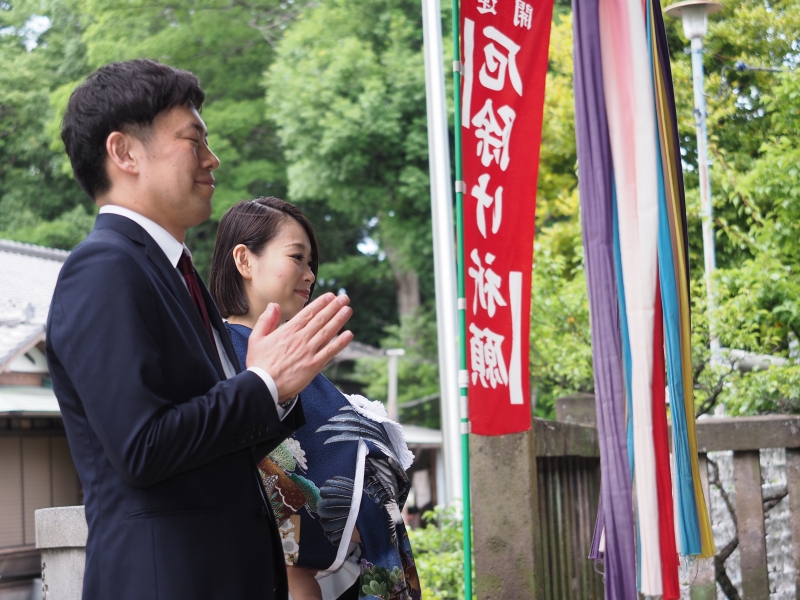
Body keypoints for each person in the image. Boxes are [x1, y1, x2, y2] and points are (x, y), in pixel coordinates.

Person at [45, 59, 353, 600]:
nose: (213, 159)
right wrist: (262, 383)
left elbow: (213, 441)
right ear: (124, 153)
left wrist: (277, 390)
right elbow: (142, 447)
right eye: (193, 139)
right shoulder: (104, 267)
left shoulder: (175, 274)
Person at [209, 197, 421, 600]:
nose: (309, 275)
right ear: (244, 261)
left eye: (312, 265)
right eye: (297, 258)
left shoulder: (287, 360)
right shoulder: (219, 354)